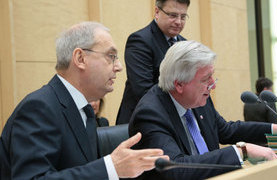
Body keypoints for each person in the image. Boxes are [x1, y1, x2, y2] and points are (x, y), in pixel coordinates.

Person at [0, 22, 168, 180]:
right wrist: (110, 168)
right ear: (80, 58)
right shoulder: (39, 108)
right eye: (111, 56)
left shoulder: (84, 110)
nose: (119, 66)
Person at [128, 40, 277, 180]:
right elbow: (176, 169)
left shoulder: (199, 99)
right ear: (179, 84)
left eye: (212, 77)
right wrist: (241, 151)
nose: (212, 86)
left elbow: (226, 131)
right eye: (206, 79)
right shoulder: (150, 115)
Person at [116, 0, 189, 125]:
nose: (178, 22)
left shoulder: (185, 45)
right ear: (157, 12)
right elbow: (143, 90)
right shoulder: (140, 40)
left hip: (175, 120)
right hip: (142, 122)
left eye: (183, 17)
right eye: (173, 15)